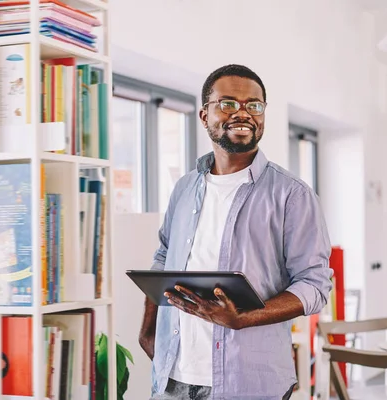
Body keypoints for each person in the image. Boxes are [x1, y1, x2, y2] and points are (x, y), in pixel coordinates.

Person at [139, 64, 333, 400]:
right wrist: (147, 328)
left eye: (253, 105)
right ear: (204, 115)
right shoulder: (185, 188)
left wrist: (244, 317)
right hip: (172, 376)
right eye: (227, 103)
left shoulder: (291, 195)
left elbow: (315, 285)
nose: (242, 113)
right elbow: (163, 256)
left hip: (248, 383)